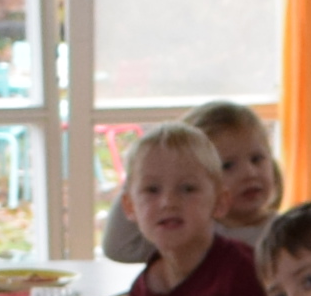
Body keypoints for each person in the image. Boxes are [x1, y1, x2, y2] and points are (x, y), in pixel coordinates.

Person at [115, 124, 266, 296]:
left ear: (220, 202)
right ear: (130, 206)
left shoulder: (246, 272)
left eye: (187, 189)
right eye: (152, 190)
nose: (168, 202)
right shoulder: (143, 286)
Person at [103, 98, 281, 263]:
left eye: (257, 159)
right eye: (227, 166)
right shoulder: (184, 230)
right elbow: (119, 248)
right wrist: (142, 173)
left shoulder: (285, 234)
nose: (250, 173)